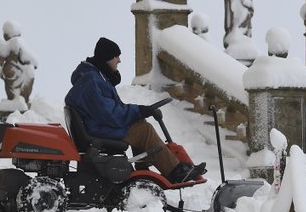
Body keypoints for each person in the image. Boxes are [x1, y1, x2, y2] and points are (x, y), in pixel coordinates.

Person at [64, 37, 205, 184]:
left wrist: (139, 112)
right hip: (97, 130)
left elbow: (110, 110)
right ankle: (174, 171)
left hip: (95, 126)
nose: (119, 60)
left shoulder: (94, 77)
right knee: (144, 131)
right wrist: (137, 111)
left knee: (139, 124)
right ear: (106, 58)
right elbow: (110, 114)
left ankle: (143, 171)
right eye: (116, 56)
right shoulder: (92, 81)